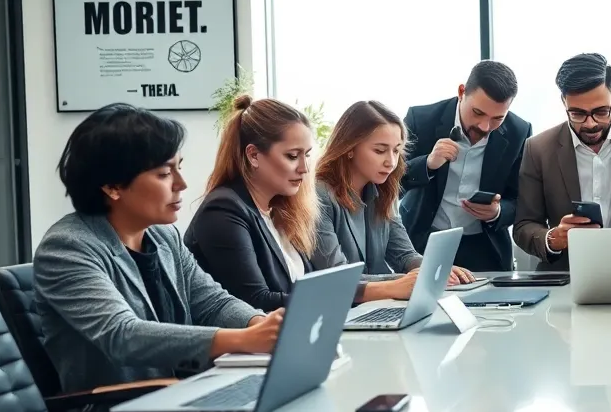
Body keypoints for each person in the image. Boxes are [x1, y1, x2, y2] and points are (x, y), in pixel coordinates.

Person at [33, 104, 282, 393]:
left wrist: (262, 324)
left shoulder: (164, 237)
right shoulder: (66, 247)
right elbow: (123, 335)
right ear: (113, 187)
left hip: (184, 394)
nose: (182, 184)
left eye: (180, 167)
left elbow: (214, 303)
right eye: (164, 174)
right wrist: (243, 340)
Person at [513, 53, 611, 270]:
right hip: (565, 274)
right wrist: (554, 238)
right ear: (563, 102)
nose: (590, 124)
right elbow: (524, 225)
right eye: (577, 113)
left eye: (601, 112)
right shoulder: (538, 149)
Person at [314, 100, 475, 291]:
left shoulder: (383, 191)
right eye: (380, 151)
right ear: (350, 148)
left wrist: (436, 269)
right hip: (340, 310)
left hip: (378, 304)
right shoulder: (320, 196)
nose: (391, 162)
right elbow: (337, 277)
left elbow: (404, 255)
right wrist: (400, 283)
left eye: (396, 150)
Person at [184, 96, 320, 312]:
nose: (304, 168)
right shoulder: (222, 211)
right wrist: (330, 300)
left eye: (307, 155)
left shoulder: (278, 210)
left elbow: (312, 283)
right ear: (254, 155)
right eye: (293, 156)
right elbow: (255, 300)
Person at [400, 61, 533, 272]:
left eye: (498, 118)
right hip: (423, 243)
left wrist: (497, 212)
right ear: (462, 92)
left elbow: (522, 200)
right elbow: (391, 182)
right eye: (478, 113)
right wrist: (427, 164)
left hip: (485, 249)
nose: (485, 127)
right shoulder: (421, 119)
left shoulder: (520, 131)